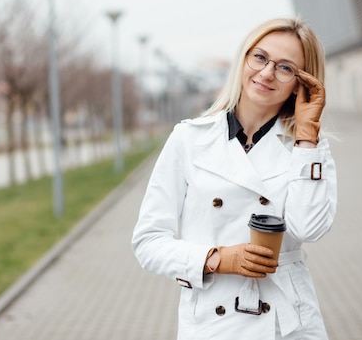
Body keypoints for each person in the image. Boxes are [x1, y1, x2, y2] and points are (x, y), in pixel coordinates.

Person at [132, 17, 337, 340]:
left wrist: (308, 136)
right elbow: (148, 242)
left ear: (302, 83)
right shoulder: (189, 139)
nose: (267, 73)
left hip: (288, 324)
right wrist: (218, 259)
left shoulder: (308, 149)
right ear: (244, 59)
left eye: (285, 68)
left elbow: (308, 229)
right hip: (214, 322)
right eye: (260, 57)